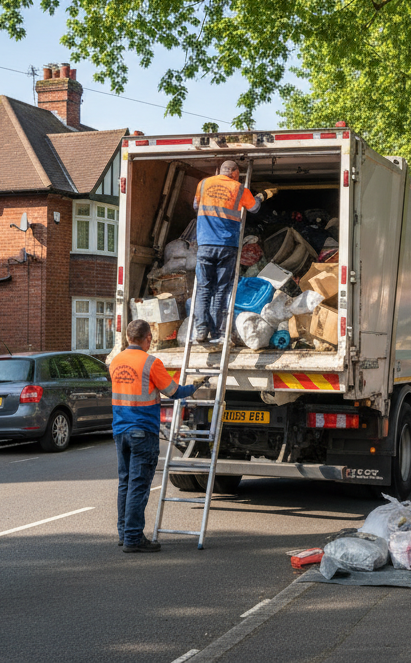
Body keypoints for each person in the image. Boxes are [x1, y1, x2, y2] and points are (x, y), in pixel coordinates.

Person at [110, 319, 205, 552]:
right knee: (138, 486)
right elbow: (174, 392)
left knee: (126, 483)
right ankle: (133, 538)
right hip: (142, 431)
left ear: (128, 337)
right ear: (148, 338)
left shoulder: (116, 361)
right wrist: (194, 386)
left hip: (120, 430)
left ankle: (124, 533)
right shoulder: (151, 362)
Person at [192, 160, 276, 345]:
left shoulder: (204, 183)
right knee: (221, 289)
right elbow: (254, 208)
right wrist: (262, 195)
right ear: (236, 173)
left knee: (203, 288)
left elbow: (196, 206)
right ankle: (217, 334)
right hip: (227, 246)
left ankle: (200, 330)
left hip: (205, 244)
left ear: (221, 171)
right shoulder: (239, 189)